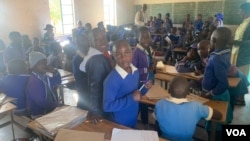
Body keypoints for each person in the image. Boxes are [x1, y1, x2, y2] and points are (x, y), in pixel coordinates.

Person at [155, 76, 222, 141]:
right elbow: (219, 116)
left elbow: (157, 123)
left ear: (169, 91)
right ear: (188, 93)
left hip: (164, 139)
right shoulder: (196, 106)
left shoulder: (160, 104)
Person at [103, 40, 151, 128]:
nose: (124, 58)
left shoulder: (135, 71)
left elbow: (137, 93)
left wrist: (144, 88)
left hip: (133, 119)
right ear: (113, 56)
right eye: (118, 55)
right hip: (118, 123)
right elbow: (107, 106)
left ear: (132, 53)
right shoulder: (111, 80)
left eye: (127, 53)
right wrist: (131, 98)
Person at [201, 27, 233, 140]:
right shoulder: (224, 52)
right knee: (215, 123)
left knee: (214, 125)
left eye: (210, 40)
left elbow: (223, 83)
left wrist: (210, 93)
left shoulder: (217, 58)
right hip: (218, 94)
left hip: (217, 96)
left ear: (214, 41)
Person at [79, 28, 112, 118]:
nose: (102, 42)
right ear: (91, 42)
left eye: (103, 38)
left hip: (102, 100)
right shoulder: (97, 60)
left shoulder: (101, 54)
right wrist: (95, 111)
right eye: (96, 40)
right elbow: (95, 87)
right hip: (101, 104)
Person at [132, 26, 155, 128]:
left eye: (148, 37)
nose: (146, 39)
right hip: (141, 83)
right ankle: (134, 122)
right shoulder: (136, 52)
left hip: (148, 81)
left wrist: (153, 66)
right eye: (143, 37)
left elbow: (149, 64)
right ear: (138, 38)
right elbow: (133, 69)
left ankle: (145, 122)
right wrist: (147, 69)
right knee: (141, 102)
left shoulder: (148, 49)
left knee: (145, 102)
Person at [26, 51, 61, 118]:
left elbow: (57, 82)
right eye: (42, 63)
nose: (45, 65)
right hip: (39, 114)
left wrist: (54, 72)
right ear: (34, 66)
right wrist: (57, 106)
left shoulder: (44, 77)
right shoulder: (33, 81)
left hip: (48, 109)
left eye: (45, 63)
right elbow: (41, 102)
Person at [230, 3, 250, 86]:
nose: (239, 13)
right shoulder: (244, 22)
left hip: (244, 56)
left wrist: (235, 42)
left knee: (242, 79)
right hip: (236, 54)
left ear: (245, 11)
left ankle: (242, 96)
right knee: (235, 78)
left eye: (240, 11)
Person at [72, 31, 90, 109]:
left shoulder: (89, 56)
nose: (85, 44)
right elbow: (81, 79)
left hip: (91, 92)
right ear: (77, 45)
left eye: (86, 41)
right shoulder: (77, 60)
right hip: (85, 91)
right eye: (81, 43)